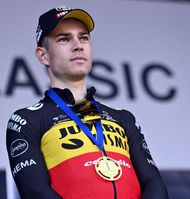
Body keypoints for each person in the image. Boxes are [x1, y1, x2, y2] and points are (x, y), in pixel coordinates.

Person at [6, 5, 169, 199]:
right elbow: (35, 192)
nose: (78, 45)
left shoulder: (123, 118)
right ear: (43, 55)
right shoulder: (26, 120)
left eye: (83, 38)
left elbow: (154, 183)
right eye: (64, 39)